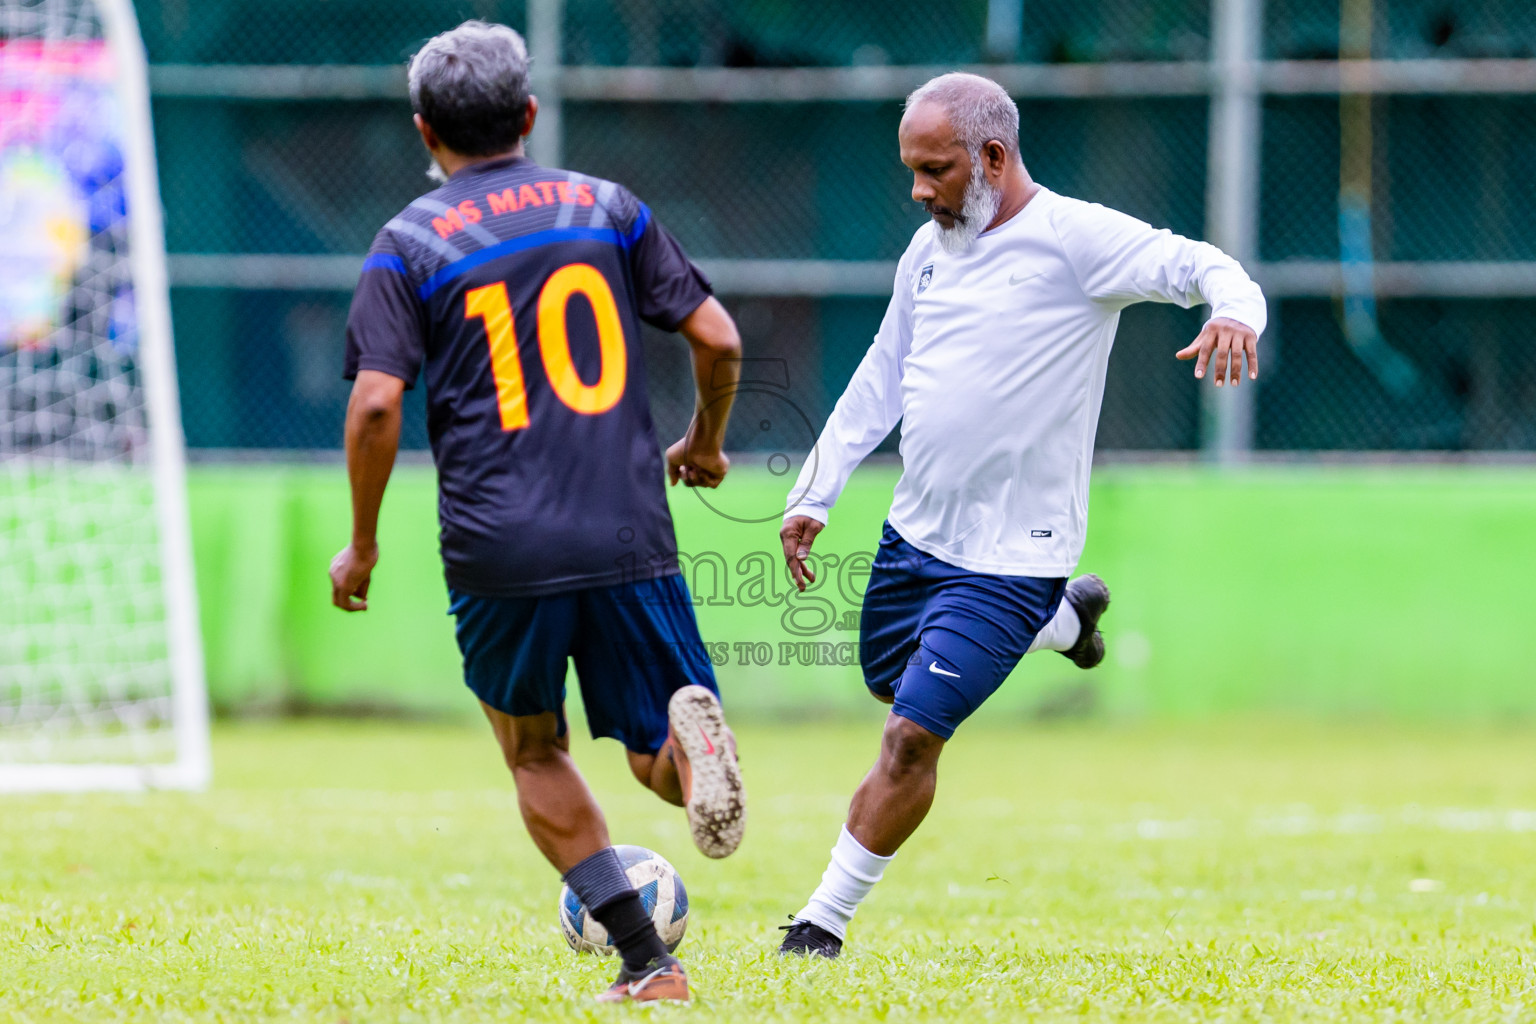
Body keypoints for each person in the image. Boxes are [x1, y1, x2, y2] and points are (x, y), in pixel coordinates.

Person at [775, 72, 1266, 958]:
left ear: (992, 157)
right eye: (911, 171)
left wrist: (1236, 309)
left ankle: (821, 922)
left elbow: (1201, 264)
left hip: (1013, 555)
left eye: (935, 171)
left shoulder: (1075, 240)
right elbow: (882, 375)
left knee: (909, 735)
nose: (919, 191)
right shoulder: (925, 254)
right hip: (915, 537)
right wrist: (817, 489)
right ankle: (1065, 620)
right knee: (891, 684)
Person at [326, 21, 746, 1003]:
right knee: (649, 747)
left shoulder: (409, 243)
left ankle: (649, 965)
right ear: (528, 114)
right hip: (628, 525)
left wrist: (363, 542)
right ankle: (694, 760)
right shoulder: (607, 208)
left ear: (425, 129)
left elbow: (378, 402)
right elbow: (719, 339)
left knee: (535, 747)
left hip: (499, 544)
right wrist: (708, 442)